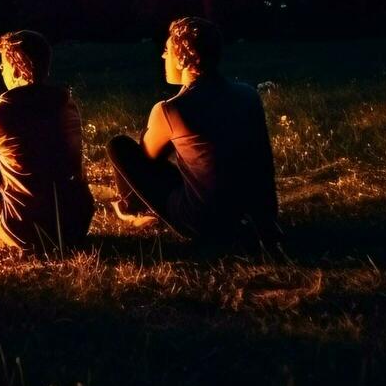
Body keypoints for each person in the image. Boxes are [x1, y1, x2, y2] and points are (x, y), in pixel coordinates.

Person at [107, 17, 281, 243]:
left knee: (119, 146)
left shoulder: (171, 109)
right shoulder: (248, 94)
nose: (163, 56)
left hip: (205, 222)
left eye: (167, 50)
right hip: (260, 214)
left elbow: (147, 158)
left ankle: (132, 210)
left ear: (182, 59)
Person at [0, 30, 93, 255]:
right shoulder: (67, 105)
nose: (1, 71)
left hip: (27, 229)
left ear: (16, 67)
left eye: (3, 66)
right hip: (76, 223)